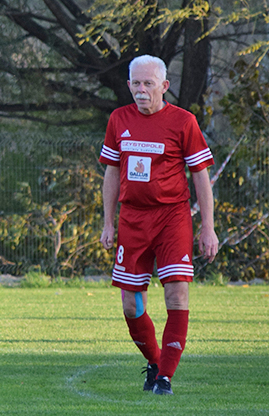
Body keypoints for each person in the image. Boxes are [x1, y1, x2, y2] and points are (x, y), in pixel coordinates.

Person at [99, 55, 218, 395]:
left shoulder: (183, 122)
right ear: (128, 85)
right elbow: (111, 171)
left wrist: (207, 227)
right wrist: (108, 221)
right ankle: (154, 362)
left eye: (148, 83)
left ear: (164, 86)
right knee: (130, 305)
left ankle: (165, 378)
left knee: (177, 293)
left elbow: (200, 176)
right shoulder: (118, 119)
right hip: (132, 219)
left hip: (172, 218)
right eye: (135, 83)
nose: (141, 90)